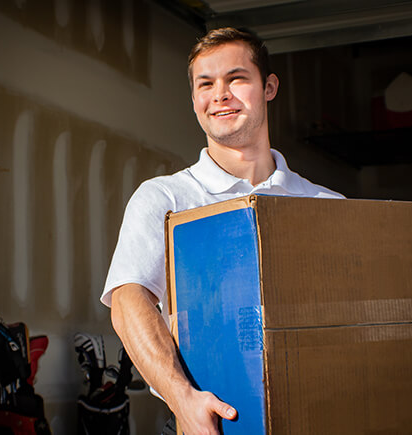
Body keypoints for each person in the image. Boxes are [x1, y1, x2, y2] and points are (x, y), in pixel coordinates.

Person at [101, 27, 344, 434]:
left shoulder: (325, 206)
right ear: (194, 99)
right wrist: (184, 399)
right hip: (211, 424)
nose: (220, 94)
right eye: (206, 84)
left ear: (268, 87)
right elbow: (128, 301)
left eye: (236, 79)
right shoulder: (166, 198)